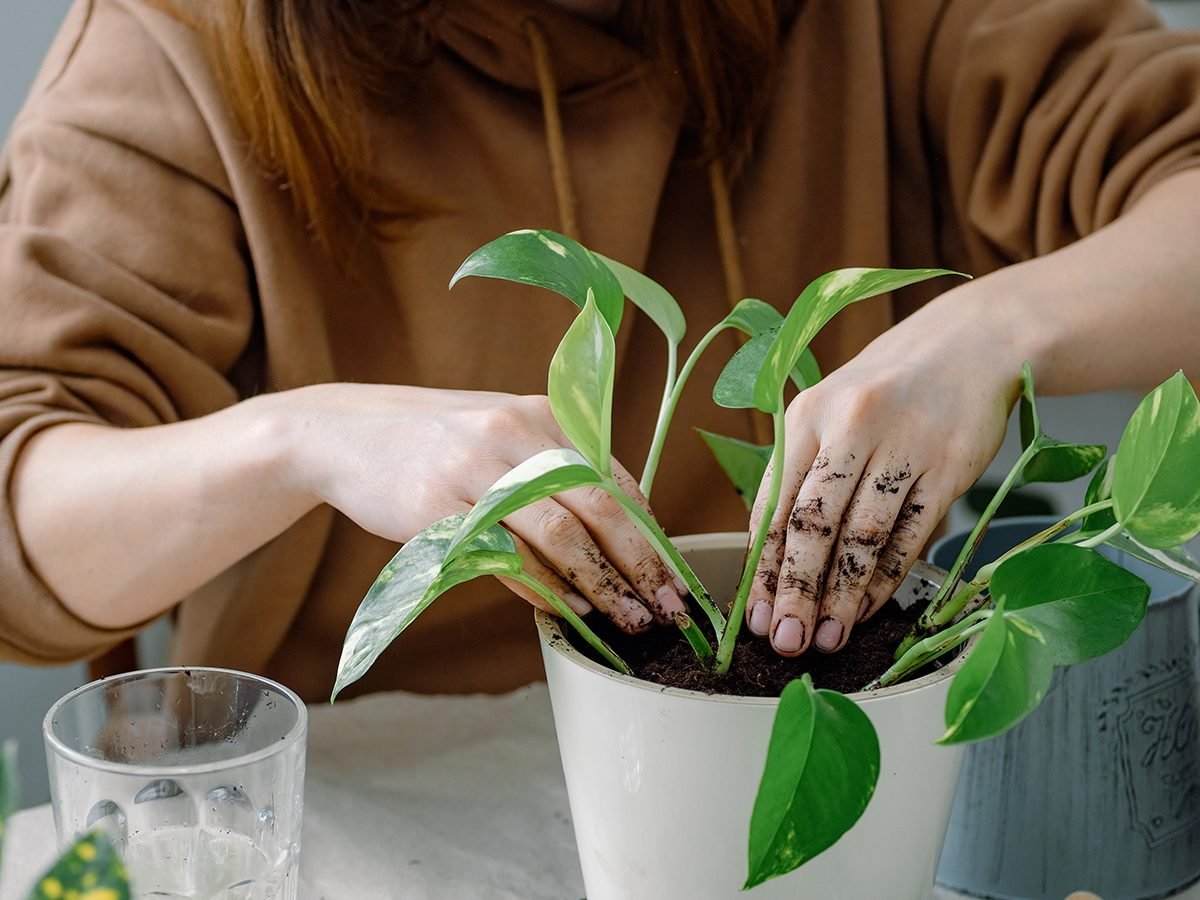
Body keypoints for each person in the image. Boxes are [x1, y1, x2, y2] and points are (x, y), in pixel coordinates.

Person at [2, 0, 1198, 702]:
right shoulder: (181, 45)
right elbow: (22, 510)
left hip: (773, 757)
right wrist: (299, 438)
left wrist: (994, 330)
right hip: (369, 791)